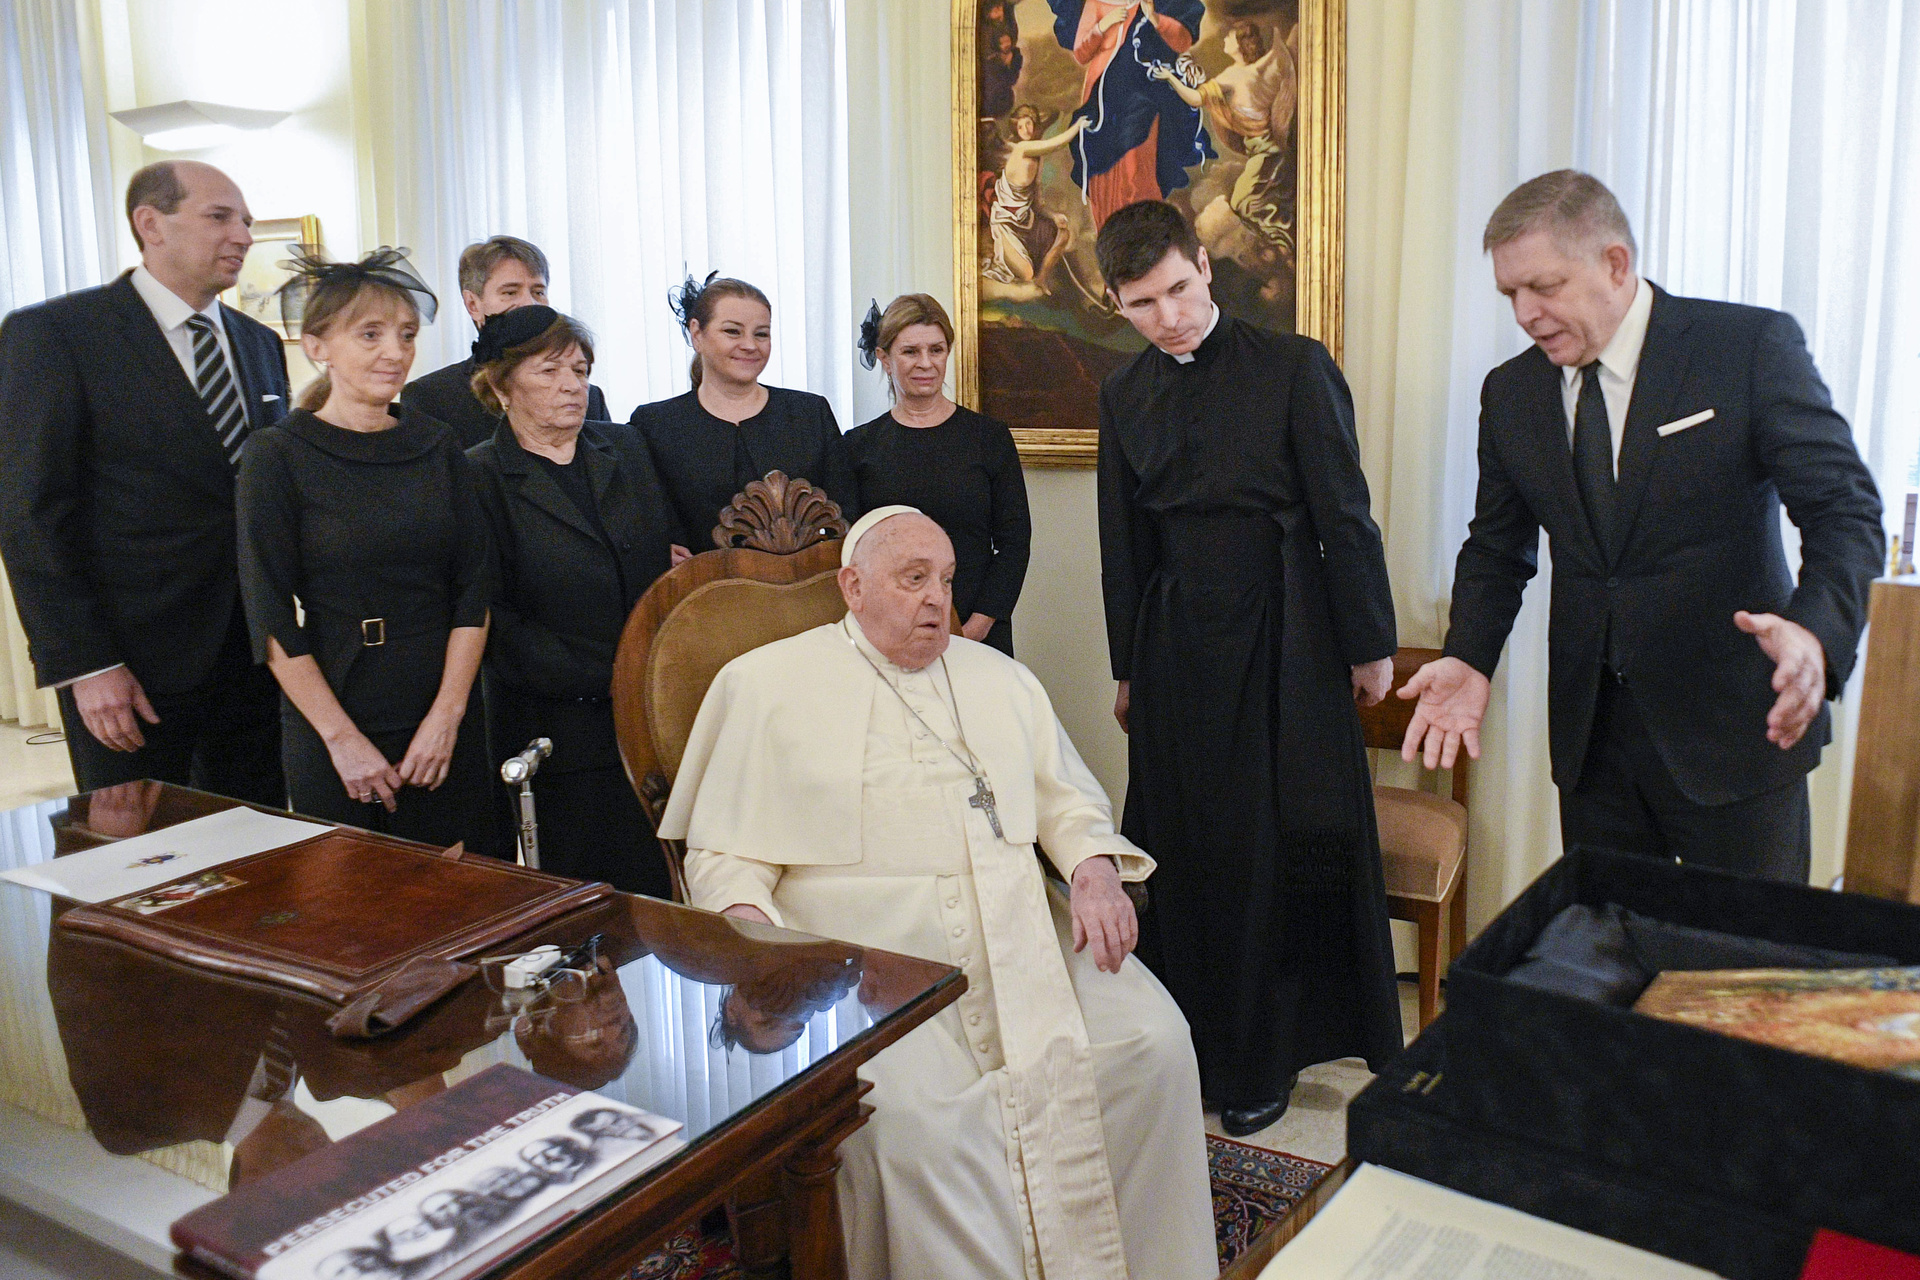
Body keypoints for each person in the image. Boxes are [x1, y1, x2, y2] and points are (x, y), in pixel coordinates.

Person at [661, 508, 1215, 1280]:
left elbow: (1066, 803)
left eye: (947, 581)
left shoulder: (1003, 680)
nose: (938, 601)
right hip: (862, 959)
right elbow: (724, 856)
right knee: (917, 1124)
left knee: (1154, 1045)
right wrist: (757, 941)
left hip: (1020, 927)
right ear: (853, 587)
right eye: (913, 579)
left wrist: (1091, 869)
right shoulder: (764, 686)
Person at [1399, 171, 1884, 883]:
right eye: (1511, 294)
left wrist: (1816, 633)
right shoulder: (1511, 392)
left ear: (1616, 264)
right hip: (1595, 750)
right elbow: (1497, 548)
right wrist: (1469, 657)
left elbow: (1844, 510)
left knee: (1746, 976)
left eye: (1545, 287)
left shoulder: (1745, 348)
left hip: (1737, 735)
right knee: (1611, 963)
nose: (1526, 313)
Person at [1094, 200, 1402, 1137]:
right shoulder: (1123, 394)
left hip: (1288, 633)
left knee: (1276, 844)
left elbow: (1345, 513)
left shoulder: (1295, 366)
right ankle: (1197, 1046)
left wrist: (1371, 642)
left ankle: (1271, 1056)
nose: (1170, 317)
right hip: (1176, 638)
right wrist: (1126, 668)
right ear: (1118, 303)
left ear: (1205, 268)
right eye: (1143, 304)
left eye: (1179, 290)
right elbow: (1122, 538)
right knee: (1189, 849)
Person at [0, 160, 290, 803]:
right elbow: (30, 513)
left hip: (255, 662)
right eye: (221, 216)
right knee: (138, 871)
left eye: (245, 219)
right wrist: (87, 664)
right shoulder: (56, 336)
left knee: (260, 862)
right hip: (131, 667)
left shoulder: (259, 343)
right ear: (150, 223)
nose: (243, 234)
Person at [237, 249, 501, 854]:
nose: (396, 352)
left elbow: (472, 591)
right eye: (371, 334)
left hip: (441, 700)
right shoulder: (276, 455)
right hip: (334, 703)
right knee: (351, 910)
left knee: (460, 899)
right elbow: (271, 615)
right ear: (317, 346)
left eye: (407, 335)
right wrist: (341, 740)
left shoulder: (437, 444)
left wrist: (447, 718)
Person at [465, 305, 687, 895]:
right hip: (557, 732)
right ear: (501, 386)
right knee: (584, 906)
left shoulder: (625, 448)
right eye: (550, 371)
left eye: (580, 370)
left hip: (651, 717)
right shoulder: (479, 477)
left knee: (661, 896)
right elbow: (494, 621)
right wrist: (609, 676)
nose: (572, 385)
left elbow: (659, 563)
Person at [846, 295, 1031, 657]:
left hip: (977, 632)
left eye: (937, 349)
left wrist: (974, 628)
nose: (926, 364)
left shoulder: (989, 438)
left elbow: (1014, 542)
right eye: (910, 352)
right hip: (887, 634)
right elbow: (851, 552)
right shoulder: (858, 447)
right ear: (884, 359)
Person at [632, 274, 860, 542]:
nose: (750, 345)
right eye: (732, 331)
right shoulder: (654, 425)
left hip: (806, 581)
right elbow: (645, 524)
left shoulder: (810, 413)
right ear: (697, 334)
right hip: (700, 583)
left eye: (761, 334)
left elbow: (844, 515)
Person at [402, 236, 613, 448]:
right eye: (510, 292)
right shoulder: (431, 398)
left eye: (538, 292)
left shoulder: (587, 397)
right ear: (473, 304)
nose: (529, 303)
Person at [1049, 0, 1212, 228]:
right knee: (1104, 168)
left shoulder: (1150, 3)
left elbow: (1182, 41)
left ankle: (1145, 230)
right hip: (1103, 93)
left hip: (1144, 92)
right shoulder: (1097, 2)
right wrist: (1102, 26)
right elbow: (1081, 53)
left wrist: (1155, 19)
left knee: (1138, 162)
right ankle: (1112, 231)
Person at [1150, 19, 1296, 257]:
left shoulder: (1232, 76)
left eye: (1229, 37)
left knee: (1242, 201)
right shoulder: (1259, 67)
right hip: (1262, 149)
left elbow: (1196, 98)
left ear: (1239, 44)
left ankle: (1282, 239)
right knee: (1248, 200)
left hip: (1265, 150)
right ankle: (1279, 237)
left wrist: (1170, 78)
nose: (1225, 41)